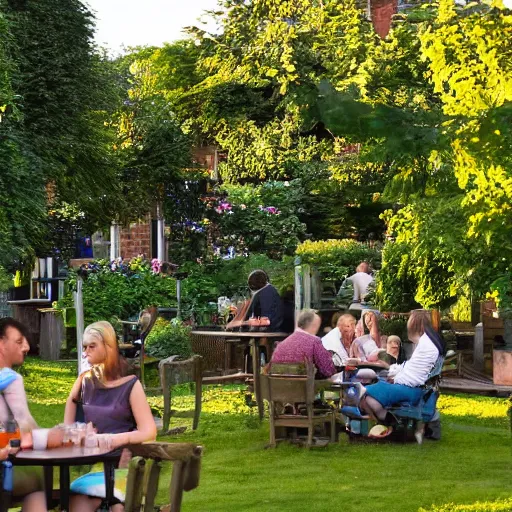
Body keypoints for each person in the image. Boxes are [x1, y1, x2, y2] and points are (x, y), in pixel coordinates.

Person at [65, 321, 157, 512]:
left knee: (117, 508)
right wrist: (77, 432)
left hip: (127, 464)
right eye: (84, 347)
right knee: (77, 505)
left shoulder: (130, 384)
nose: (86, 351)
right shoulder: (84, 381)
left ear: (108, 347)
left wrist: (112, 440)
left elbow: (149, 432)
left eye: (92, 346)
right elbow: (68, 427)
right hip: (98, 464)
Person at [359, 310, 444, 438]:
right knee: (368, 391)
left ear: (415, 325)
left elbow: (413, 376)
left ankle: (389, 424)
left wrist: (394, 378)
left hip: (408, 389)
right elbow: (413, 369)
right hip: (412, 388)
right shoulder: (430, 342)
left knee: (361, 392)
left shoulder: (426, 345)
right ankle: (389, 424)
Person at [0, 318, 46, 512]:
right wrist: (51, 437)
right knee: (37, 484)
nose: (26, 347)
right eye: (19, 342)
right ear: (1, 344)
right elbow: (24, 422)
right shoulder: (10, 378)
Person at [271, 310, 336, 379]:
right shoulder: (314, 342)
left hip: (279, 387)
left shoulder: (280, 345)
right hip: (303, 388)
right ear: (315, 325)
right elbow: (328, 370)